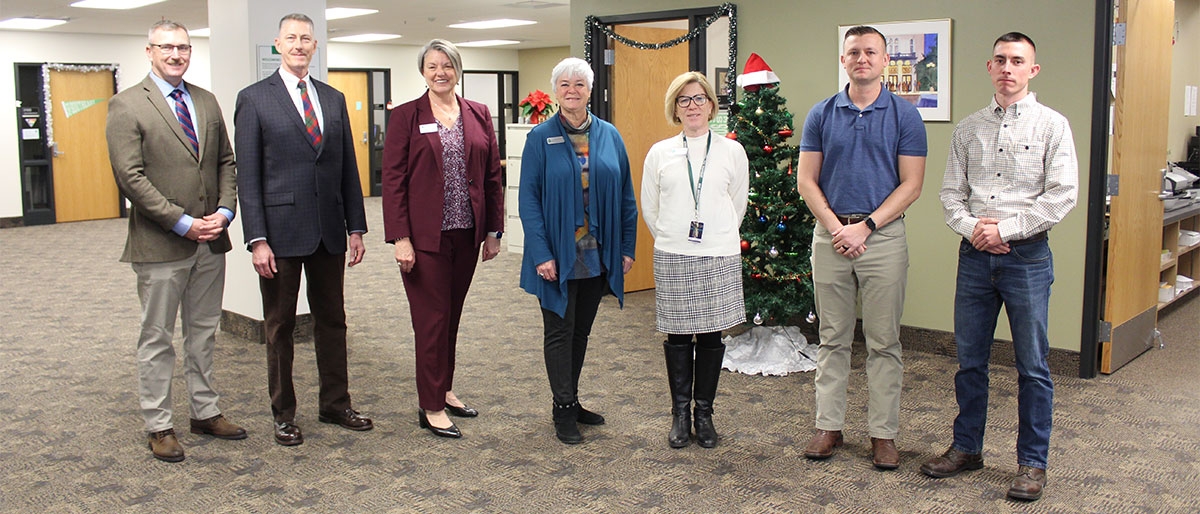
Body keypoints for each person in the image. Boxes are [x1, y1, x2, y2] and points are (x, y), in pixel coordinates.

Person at [922, 32, 1077, 502]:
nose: (1007, 68)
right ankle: (967, 448)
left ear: (1033, 70)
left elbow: (1062, 195)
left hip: (1026, 258)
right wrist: (975, 229)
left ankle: (1032, 463)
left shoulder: (1053, 126)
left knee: (1032, 366)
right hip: (974, 257)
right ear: (989, 68)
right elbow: (950, 194)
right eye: (1000, 60)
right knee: (970, 362)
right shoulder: (968, 129)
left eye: (1017, 61)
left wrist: (1002, 231)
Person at [107, 19, 246, 462]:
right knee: (157, 337)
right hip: (161, 243)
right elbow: (130, 178)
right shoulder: (126, 105)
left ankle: (205, 411)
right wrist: (182, 222)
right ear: (149, 51)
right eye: (166, 47)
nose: (175, 55)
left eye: (183, 48)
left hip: (211, 241)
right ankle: (159, 423)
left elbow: (226, 160)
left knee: (203, 333)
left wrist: (224, 212)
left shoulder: (204, 101)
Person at [235, 13, 372, 447]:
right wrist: (257, 238)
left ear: (315, 46)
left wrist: (356, 228)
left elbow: (348, 167)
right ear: (278, 44)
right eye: (291, 38)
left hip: (330, 231)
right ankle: (283, 413)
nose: (299, 45)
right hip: (279, 234)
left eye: (306, 39)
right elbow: (248, 177)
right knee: (279, 327)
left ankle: (335, 403)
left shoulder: (332, 99)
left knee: (333, 321)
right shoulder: (254, 99)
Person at [795, 25, 927, 469]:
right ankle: (828, 426)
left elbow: (912, 185)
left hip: (883, 238)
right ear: (843, 59)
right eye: (854, 52)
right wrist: (838, 228)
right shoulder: (822, 113)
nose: (862, 58)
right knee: (832, 338)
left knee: (883, 340)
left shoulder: (905, 116)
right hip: (831, 235)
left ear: (885, 60)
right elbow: (806, 180)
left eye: (871, 52)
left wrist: (866, 227)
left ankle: (883, 435)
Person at [381, 39, 504, 439]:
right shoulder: (405, 116)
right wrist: (400, 237)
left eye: (447, 65)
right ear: (423, 72)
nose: (440, 73)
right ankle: (430, 405)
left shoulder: (478, 113)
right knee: (431, 321)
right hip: (424, 239)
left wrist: (493, 230)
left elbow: (491, 178)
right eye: (432, 66)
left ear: (458, 69)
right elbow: (394, 182)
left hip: (465, 234)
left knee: (450, 316)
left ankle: (444, 389)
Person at [518, 57, 638, 445]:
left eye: (579, 84)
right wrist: (540, 254)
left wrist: (625, 247)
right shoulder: (540, 137)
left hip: (596, 254)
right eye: (564, 84)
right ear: (556, 91)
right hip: (557, 254)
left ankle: (570, 397)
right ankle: (563, 408)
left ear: (589, 91)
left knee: (580, 332)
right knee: (559, 329)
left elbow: (625, 198)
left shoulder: (610, 135)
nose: (572, 90)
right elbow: (529, 202)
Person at [641, 72, 748, 449]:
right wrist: (673, 236)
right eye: (684, 100)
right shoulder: (660, 152)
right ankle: (680, 413)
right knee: (678, 335)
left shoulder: (732, 151)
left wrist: (715, 234)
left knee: (711, 335)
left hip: (718, 253)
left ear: (711, 105)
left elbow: (737, 203)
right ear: (675, 108)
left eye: (699, 98)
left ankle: (704, 413)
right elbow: (650, 207)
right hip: (674, 254)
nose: (693, 106)